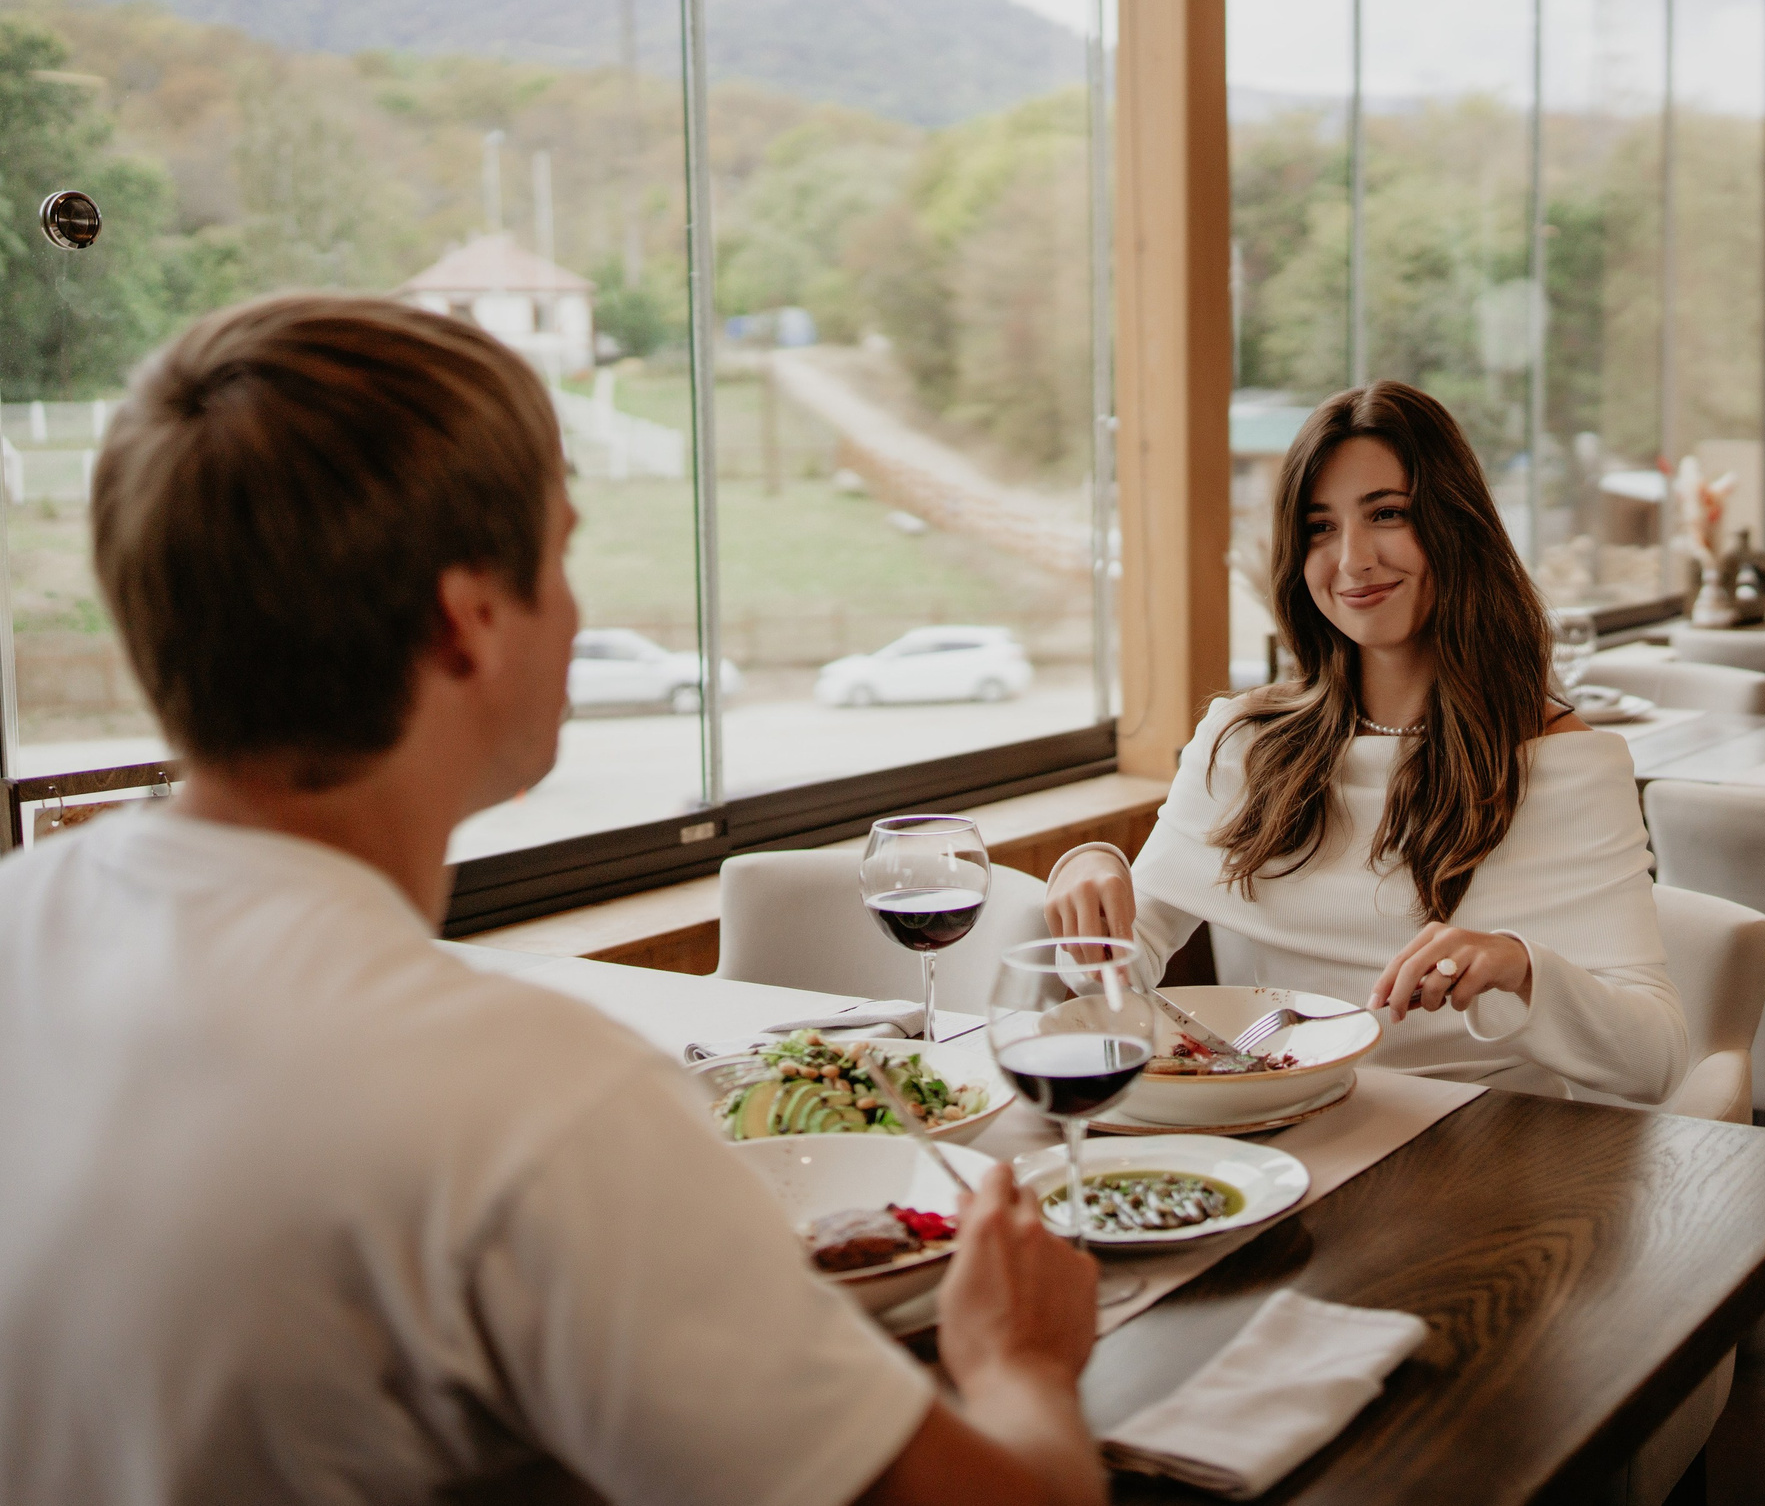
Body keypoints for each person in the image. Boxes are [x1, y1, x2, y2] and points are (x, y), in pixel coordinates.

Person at [0, 295, 1105, 1506]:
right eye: (564, 553)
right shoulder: (530, 1102)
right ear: (468, 623)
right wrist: (1021, 1364)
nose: (581, 614)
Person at [1046, 382, 1689, 1104]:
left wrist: (1520, 966)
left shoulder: (1565, 765)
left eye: (1387, 514)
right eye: (1321, 527)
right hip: (1282, 1134)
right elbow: (1113, 974)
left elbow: (1655, 1059)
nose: (1353, 559)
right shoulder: (1242, 743)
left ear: (1457, 526)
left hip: (1486, 1154)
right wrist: (1092, 864)